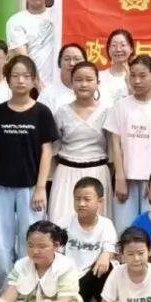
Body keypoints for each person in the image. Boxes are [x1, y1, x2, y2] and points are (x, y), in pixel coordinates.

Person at [0, 55, 58, 293]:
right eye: (15, 76)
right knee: (2, 243)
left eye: (26, 76)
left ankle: (29, 291)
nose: (21, 81)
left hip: (30, 187)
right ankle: (3, 292)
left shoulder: (42, 113)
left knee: (31, 240)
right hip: (0, 186)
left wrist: (41, 187)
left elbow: (47, 152)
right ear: (8, 79)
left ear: (34, 80)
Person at [106, 55, 151, 231]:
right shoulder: (120, 106)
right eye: (133, 76)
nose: (137, 81)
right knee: (124, 230)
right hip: (126, 178)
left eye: (142, 76)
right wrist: (119, 176)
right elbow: (115, 144)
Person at [48, 60, 111, 227]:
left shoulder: (107, 112)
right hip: (66, 174)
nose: (84, 84)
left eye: (89, 79)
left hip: (97, 173)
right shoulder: (61, 112)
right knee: (60, 224)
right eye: (78, 79)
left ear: (97, 82)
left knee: (97, 226)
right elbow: (53, 149)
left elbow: (113, 148)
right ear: (71, 83)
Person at [62, 177, 118, 302]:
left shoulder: (106, 224)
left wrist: (106, 255)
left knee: (108, 265)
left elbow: (110, 248)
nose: (81, 204)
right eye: (77, 199)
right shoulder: (65, 223)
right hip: (72, 279)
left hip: (95, 274)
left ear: (100, 202)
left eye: (87, 199)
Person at [6, 0, 57, 87]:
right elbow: (24, 58)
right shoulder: (15, 21)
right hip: (31, 86)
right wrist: (39, 86)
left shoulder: (57, 14)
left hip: (59, 84)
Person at [37, 43, 86, 114]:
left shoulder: (94, 92)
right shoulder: (47, 94)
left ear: (85, 64)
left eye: (77, 59)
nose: (72, 63)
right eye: (67, 59)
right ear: (59, 64)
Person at [99, 29, 134, 107]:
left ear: (131, 48)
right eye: (114, 45)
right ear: (108, 49)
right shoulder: (98, 76)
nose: (118, 49)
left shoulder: (136, 77)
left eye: (123, 45)